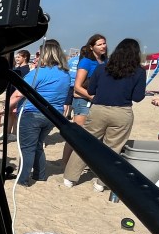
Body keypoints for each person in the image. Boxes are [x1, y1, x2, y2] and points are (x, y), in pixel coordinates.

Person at [64, 38, 146, 190]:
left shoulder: (102, 68)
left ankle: (70, 177)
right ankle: (101, 183)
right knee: (113, 149)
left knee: (86, 143)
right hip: (122, 111)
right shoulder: (139, 71)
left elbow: (91, 90)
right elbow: (138, 97)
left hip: (99, 109)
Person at [8, 39, 71, 186]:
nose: (37, 56)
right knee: (38, 145)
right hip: (52, 116)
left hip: (32, 114)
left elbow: (18, 94)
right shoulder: (65, 74)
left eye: (38, 54)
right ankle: (40, 175)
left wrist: (4, 109)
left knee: (27, 148)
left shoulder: (38, 73)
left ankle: (22, 179)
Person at [63, 34, 108, 163]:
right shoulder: (86, 62)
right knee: (77, 134)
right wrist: (92, 97)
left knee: (93, 135)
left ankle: (84, 162)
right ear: (91, 47)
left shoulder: (105, 61)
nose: (103, 46)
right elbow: (77, 87)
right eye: (99, 44)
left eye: (104, 43)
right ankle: (65, 162)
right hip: (83, 101)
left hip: (98, 102)